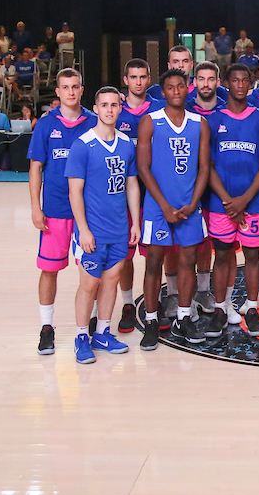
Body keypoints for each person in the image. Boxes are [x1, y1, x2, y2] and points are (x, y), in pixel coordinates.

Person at [136, 69, 212, 351]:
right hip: (158, 207)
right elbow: (143, 168)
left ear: (188, 88)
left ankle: (183, 317)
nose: (176, 91)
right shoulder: (150, 121)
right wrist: (165, 206)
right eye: (170, 87)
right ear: (163, 91)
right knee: (153, 262)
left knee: (188, 260)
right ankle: (152, 320)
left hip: (189, 205)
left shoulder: (199, 123)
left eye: (181, 86)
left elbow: (204, 168)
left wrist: (193, 202)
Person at [65, 86, 138, 364]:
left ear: (120, 108)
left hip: (118, 228)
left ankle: (103, 333)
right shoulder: (83, 145)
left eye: (114, 105)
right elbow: (75, 192)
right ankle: (81, 336)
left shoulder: (126, 144)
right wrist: (83, 229)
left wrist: (134, 223)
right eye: (104, 105)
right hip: (92, 230)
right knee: (89, 283)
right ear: (95, 108)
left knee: (111, 280)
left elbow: (132, 184)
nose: (109, 109)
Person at [28, 68, 97, 356]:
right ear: (57, 92)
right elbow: (35, 168)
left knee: (91, 270)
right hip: (55, 210)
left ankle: (92, 321)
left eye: (75, 86)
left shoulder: (93, 122)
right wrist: (36, 207)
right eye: (65, 87)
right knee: (49, 270)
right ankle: (47, 327)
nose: (71, 91)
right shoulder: (46, 125)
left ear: (82, 90)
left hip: (88, 212)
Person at [206, 64, 259, 334]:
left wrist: (244, 200)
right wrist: (229, 201)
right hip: (221, 204)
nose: (239, 85)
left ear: (251, 84)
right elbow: (207, 166)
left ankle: (251, 308)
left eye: (244, 80)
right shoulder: (213, 120)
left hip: (253, 203)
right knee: (222, 255)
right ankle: (220, 309)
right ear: (226, 83)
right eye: (234, 80)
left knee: (252, 256)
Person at [112, 58, 166, 332]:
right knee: (125, 255)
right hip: (122, 195)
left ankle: (157, 302)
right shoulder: (114, 110)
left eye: (143, 77)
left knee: (155, 253)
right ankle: (127, 304)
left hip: (154, 194)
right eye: (133, 77)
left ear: (149, 79)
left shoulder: (159, 109)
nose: (138, 82)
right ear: (125, 80)